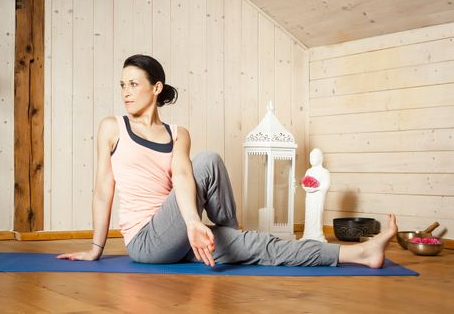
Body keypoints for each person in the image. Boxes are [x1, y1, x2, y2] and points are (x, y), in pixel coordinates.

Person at [58, 54, 397, 268]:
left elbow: (181, 176)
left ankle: (358, 254)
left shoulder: (178, 134)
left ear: (156, 87)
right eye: (122, 85)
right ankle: (227, 231)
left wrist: (195, 226)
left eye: (134, 83)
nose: (126, 91)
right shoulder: (112, 127)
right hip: (147, 242)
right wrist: (95, 248)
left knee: (259, 242)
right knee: (206, 162)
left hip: (181, 230)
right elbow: (103, 192)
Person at [301, 148, 330, 243]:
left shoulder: (324, 172)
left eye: (314, 157)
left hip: (318, 197)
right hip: (309, 197)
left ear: (321, 158)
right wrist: (307, 188)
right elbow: (304, 183)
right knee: (309, 214)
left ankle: (317, 235)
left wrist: (317, 188)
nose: (312, 159)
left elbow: (326, 185)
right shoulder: (309, 171)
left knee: (317, 215)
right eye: (310, 157)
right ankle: (307, 234)